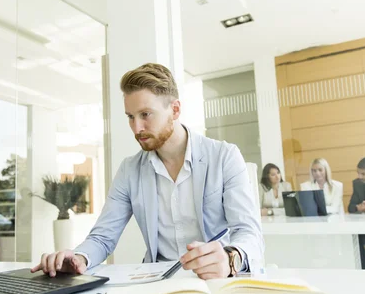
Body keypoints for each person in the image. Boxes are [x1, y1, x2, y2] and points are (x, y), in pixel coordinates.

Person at [31, 63, 264, 280]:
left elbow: (248, 232)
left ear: (175, 109)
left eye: (145, 115)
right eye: (130, 117)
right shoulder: (129, 170)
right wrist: (78, 258)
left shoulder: (224, 156)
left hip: (217, 280)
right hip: (159, 285)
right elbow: (103, 237)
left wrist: (231, 258)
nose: (137, 128)